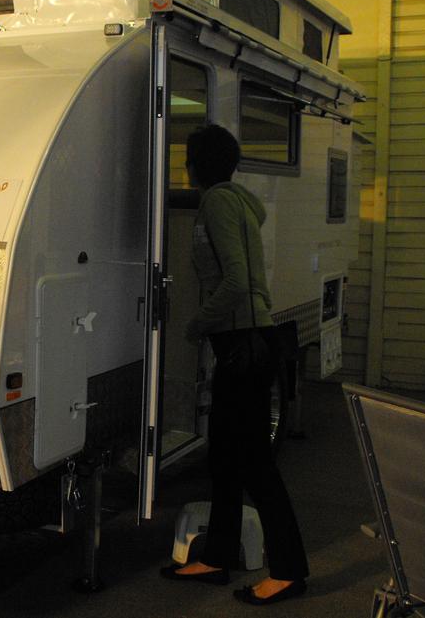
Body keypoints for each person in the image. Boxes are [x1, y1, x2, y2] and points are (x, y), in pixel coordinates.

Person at [160, 124, 309, 606]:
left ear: (195, 164)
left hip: (242, 345)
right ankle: (216, 556)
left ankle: (289, 571)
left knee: (254, 464)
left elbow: (237, 282)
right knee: (224, 458)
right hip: (243, 343)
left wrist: (194, 324)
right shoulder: (238, 201)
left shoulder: (219, 203)